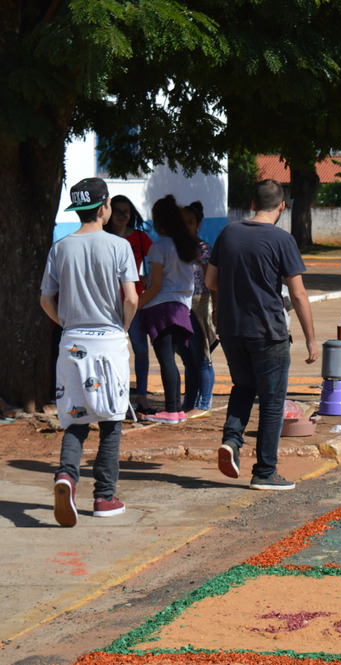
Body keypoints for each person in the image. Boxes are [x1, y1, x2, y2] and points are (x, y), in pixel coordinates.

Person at [205, 179, 319, 490]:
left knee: (243, 387)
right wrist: (310, 338)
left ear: (252, 204)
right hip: (268, 331)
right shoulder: (282, 240)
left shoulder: (228, 232)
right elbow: (298, 295)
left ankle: (231, 440)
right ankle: (265, 472)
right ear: (282, 207)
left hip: (230, 329)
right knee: (271, 401)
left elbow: (211, 280)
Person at [41, 178, 139, 526]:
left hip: (72, 343)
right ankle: (104, 497)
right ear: (104, 208)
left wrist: (65, 321)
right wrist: (122, 327)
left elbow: (45, 299)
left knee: (75, 419)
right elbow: (130, 298)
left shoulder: (61, 248)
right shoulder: (119, 246)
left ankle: (66, 476)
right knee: (111, 421)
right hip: (107, 343)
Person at [136, 195, 198, 424]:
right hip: (181, 308)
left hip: (161, 308)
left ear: (159, 222)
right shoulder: (185, 246)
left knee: (166, 360)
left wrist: (134, 307)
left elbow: (155, 286)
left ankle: (172, 410)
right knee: (171, 358)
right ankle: (177, 410)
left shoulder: (159, 246)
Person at [107, 195, 154, 413]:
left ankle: (142, 396)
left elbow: (156, 266)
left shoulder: (141, 238)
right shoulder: (103, 238)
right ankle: (113, 396)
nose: (122, 215)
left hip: (134, 302)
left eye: (127, 211)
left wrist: (146, 280)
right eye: (118, 210)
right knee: (110, 352)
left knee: (140, 350)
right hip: (107, 304)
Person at [179, 201, 216, 418]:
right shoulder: (173, 249)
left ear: (199, 224)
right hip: (179, 305)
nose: (186, 227)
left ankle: (203, 403)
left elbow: (212, 282)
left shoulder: (203, 250)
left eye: (191, 222)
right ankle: (189, 401)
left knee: (202, 355)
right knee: (188, 358)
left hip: (199, 304)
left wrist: (216, 309)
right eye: (182, 223)